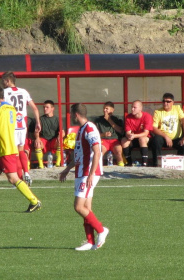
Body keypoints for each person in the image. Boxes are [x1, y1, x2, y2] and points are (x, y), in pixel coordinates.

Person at [59, 103, 109, 251]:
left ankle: (101, 230)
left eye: (70, 114)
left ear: (76, 115)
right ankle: (90, 241)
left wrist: (91, 174)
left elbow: (97, 152)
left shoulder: (90, 128)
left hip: (88, 173)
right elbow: (79, 154)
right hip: (82, 172)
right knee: (86, 208)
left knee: (78, 206)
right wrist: (67, 169)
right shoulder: (81, 130)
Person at [2, 71, 41, 186]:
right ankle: (27, 173)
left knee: (14, 152)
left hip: (11, 124)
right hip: (22, 124)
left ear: (8, 81)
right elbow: (34, 108)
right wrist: (38, 122)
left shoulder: (4, 92)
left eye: (3, 80)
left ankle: (19, 179)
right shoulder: (24, 91)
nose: (2, 83)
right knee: (21, 149)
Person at [151, 93, 184, 167]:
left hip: (176, 139)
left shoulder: (177, 108)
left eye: (168, 101)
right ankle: (157, 164)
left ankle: (178, 164)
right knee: (156, 140)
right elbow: (154, 128)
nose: (165, 103)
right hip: (164, 138)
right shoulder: (158, 112)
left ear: (173, 102)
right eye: (164, 101)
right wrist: (166, 137)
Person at [32, 100, 65, 168]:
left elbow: (62, 132)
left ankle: (57, 164)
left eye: (47, 107)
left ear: (52, 108)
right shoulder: (40, 119)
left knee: (60, 141)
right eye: (44, 107)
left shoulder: (57, 119)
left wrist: (60, 136)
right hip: (44, 140)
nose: (45, 109)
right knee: (37, 143)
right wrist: (37, 138)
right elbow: (36, 131)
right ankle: (41, 165)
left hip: (53, 141)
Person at [121, 100, 153, 166]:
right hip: (133, 138)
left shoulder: (147, 116)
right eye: (132, 107)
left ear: (140, 108)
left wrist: (134, 136)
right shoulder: (128, 117)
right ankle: (129, 162)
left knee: (142, 139)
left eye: (134, 107)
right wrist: (129, 135)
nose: (132, 109)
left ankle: (144, 163)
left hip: (145, 139)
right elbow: (127, 132)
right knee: (124, 140)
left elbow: (146, 133)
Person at [94, 101, 124, 166]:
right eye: (104, 108)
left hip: (115, 140)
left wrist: (109, 120)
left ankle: (121, 167)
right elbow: (94, 135)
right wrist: (103, 134)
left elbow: (121, 131)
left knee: (118, 152)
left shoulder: (117, 119)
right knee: (100, 152)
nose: (104, 110)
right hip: (104, 140)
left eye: (107, 109)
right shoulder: (98, 120)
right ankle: (96, 167)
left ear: (112, 110)